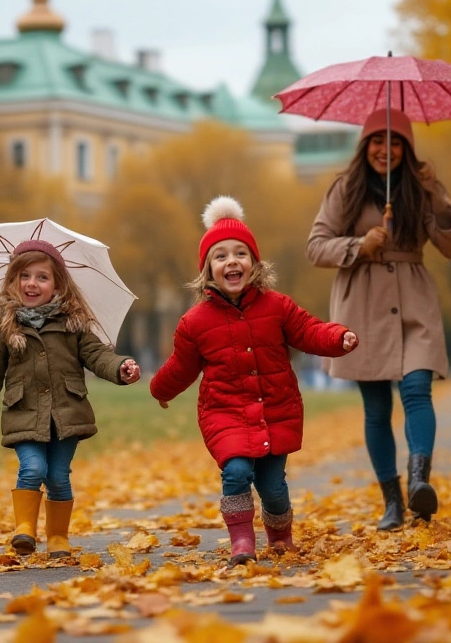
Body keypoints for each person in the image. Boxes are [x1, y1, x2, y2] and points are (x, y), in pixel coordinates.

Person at [151, 197, 358, 566]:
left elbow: (309, 331)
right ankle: (242, 541)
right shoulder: (194, 323)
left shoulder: (277, 306)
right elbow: (181, 366)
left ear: (254, 264)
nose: (232, 261)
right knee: (236, 471)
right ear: (207, 271)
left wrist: (337, 337)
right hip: (225, 412)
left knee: (273, 486)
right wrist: (161, 389)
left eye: (240, 254)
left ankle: (280, 536)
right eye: (220, 256)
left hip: (275, 410)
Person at [307, 108, 451, 531]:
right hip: (362, 304)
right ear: (366, 146)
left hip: (414, 301)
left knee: (417, 389)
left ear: (408, 148)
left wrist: (439, 198)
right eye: (379, 142)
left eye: (396, 142)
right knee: (376, 408)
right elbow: (316, 247)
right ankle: (392, 502)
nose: (387, 150)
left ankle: (420, 483)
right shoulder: (345, 189)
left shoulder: (422, 188)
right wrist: (359, 245)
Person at [0, 240, 141, 559]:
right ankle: (24, 530)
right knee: (31, 468)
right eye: (24, 275)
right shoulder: (4, 325)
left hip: (66, 414)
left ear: (58, 283)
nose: (32, 283)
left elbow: (97, 355)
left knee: (57, 476)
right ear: (12, 281)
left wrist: (120, 367)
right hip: (24, 413)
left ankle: (57, 536)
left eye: (42, 277)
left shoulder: (73, 322)